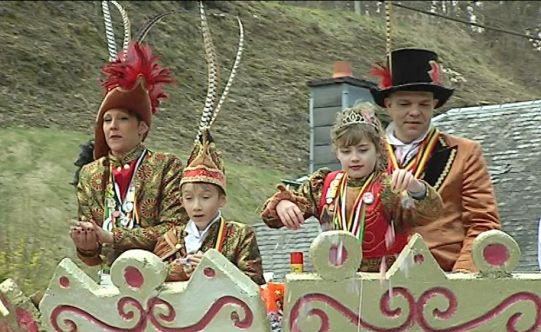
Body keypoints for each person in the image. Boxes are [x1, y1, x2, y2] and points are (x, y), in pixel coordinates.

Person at [261, 102, 443, 272]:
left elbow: (431, 214)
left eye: (363, 150)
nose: (354, 158)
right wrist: (282, 204)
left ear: (379, 149)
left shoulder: (391, 187)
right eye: (346, 152)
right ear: (337, 153)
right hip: (335, 280)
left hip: (385, 285)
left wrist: (416, 188)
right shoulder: (323, 185)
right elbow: (271, 219)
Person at [369, 48, 501, 272]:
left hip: (444, 275)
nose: (414, 112)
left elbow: (482, 223)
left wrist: (462, 277)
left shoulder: (464, 152)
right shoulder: (366, 154)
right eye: (404, 104)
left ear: (434, 105)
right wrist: (286, 201)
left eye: (424, 104)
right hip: (376, 281)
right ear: (388, 105)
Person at [68, 40, 188, 284]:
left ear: (142, 127)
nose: (112, 126)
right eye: (107, 120)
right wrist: (86, 245)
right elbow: (92, 258)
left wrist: (112, 236)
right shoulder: (91, 175)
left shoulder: (166, 166)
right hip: (109, 282)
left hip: (161, 281)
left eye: (122, 119)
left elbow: (175, 229)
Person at [152, 129, 265, 285]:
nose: (197, 206)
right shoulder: (170, 238)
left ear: (222, 200)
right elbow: (152, 276)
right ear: (181, 201)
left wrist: (215, 270)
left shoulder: (240, 236)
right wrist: (180, 270)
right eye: (189, 198)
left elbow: (255, 281)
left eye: (205, 197)